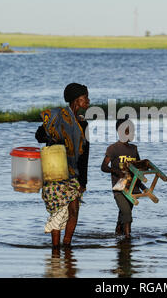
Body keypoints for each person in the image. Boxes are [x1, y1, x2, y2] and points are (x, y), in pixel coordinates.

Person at [35, 82, 90, 249]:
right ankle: (55, 248)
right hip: (55, 171)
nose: (88, 101)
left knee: (74, 211)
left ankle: (66, 245)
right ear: (75, 100)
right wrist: (53, 138)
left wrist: (83, 181)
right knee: (58, 212)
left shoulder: (83, 124)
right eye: (85, 98)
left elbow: (84, 153)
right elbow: (39, 135)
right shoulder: (57, 117)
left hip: (73, 174)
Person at [101, 117, 146, 239]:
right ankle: (127, 238)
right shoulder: (113, 148)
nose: (131, 133)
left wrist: (143, 187)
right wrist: (116, 171)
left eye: (131, 130)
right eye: (127, 130)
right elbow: (103, 167)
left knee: (124, 214)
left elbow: (138, 170)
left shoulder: (134, 149)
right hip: (119, 188)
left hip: (132, 188)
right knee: (127, 213)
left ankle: (118, 236)